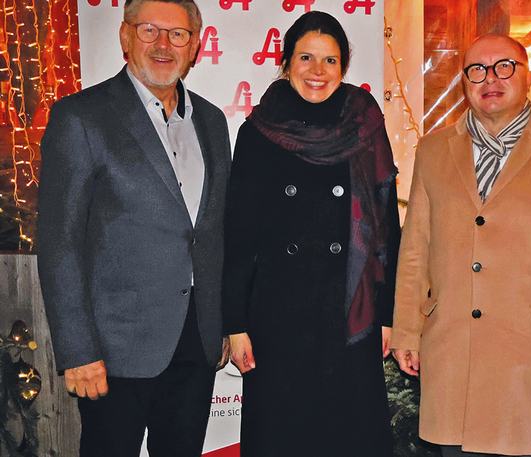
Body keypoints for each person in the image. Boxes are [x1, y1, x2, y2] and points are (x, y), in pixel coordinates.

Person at [391, 34, 531, 457]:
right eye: (477, 69)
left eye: (504, 66)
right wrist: (405, 329)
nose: (491, 78)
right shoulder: (432, 151)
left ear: (528, 77)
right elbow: (415, 248)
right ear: (464, 81)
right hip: (451, 350)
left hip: (528, 357)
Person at [37, 1, 231, 456]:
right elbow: (59, 242)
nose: (164, 45)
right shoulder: (80, 118)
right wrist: (77, 350)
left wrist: (220, 322)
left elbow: (212, 231)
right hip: (111, 351)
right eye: (150, 31)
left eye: (178, 34)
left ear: (195, 46)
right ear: (125, 38)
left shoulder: (212, 121)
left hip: (196, 343)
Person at [222, 11, 399, 456]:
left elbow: (386, 229)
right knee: (284, 437)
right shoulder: (257, 133)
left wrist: (389, 315)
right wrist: (236, 325)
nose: (318, 72)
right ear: (286, 63)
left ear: (344, 68)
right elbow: (238, 235)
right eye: (306, 57)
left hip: (350, 313)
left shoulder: (366, 128)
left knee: (348, 438)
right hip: (279, 317)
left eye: (330, 61)